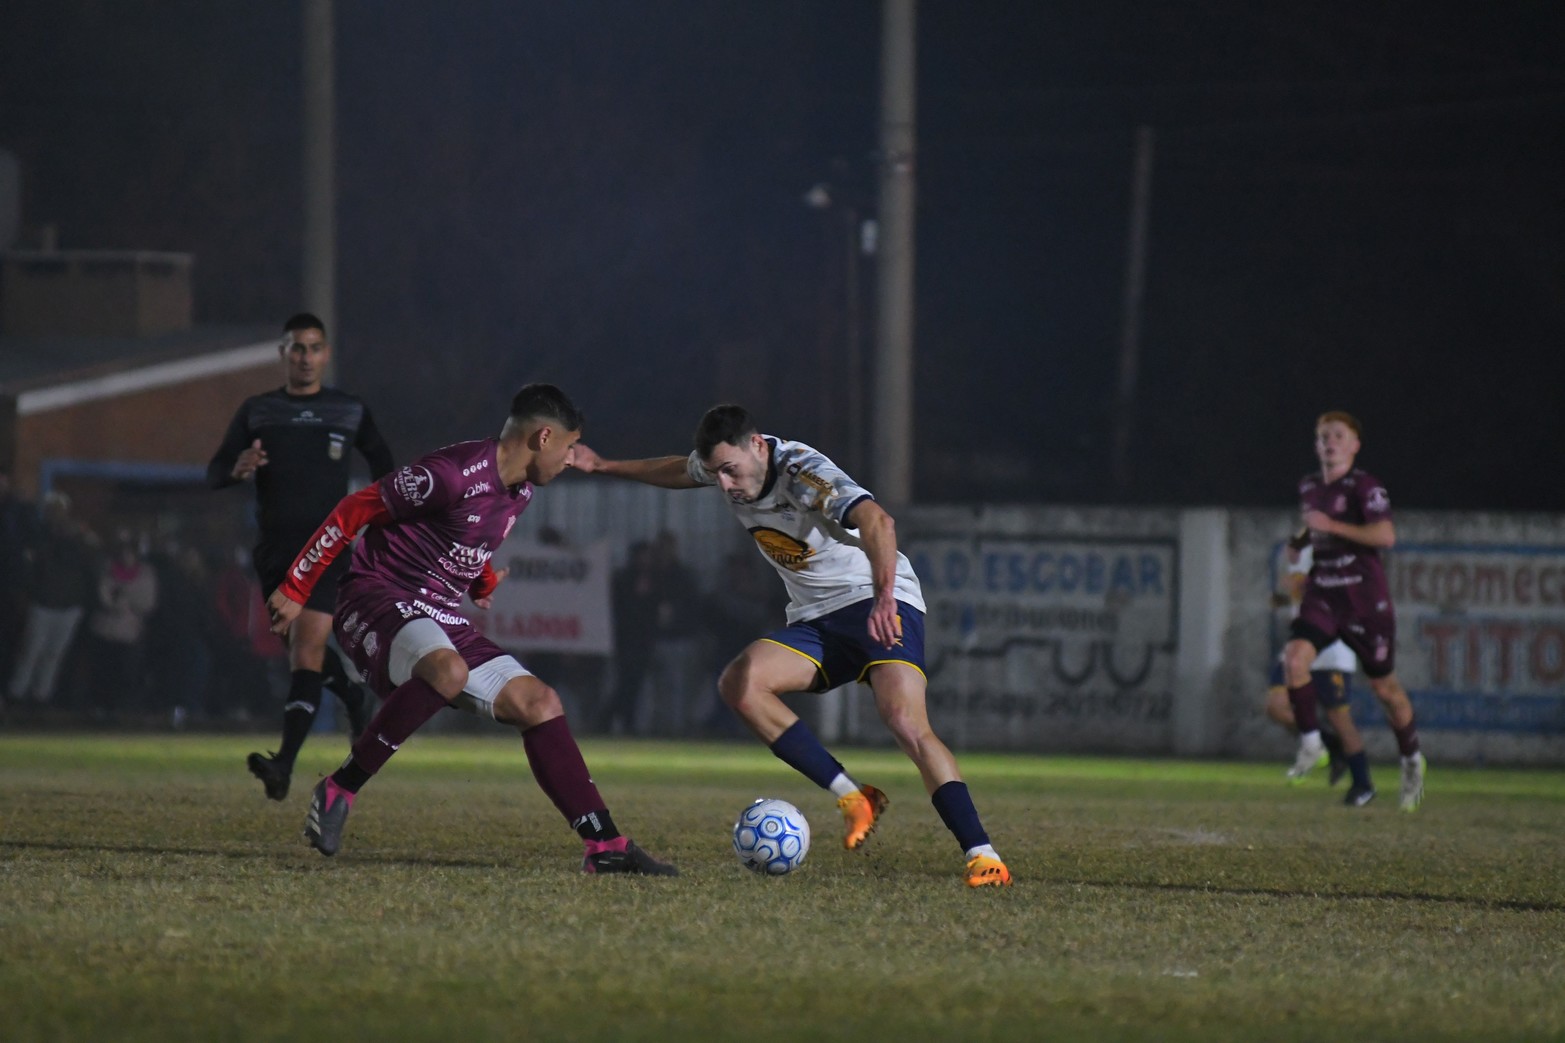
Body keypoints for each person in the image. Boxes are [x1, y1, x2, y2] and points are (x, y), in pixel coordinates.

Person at [569, 403, 1012, 888]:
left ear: (757, 446)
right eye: (716, 473)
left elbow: (878, 522)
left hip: (875, 600)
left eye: (730, 471)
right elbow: (678, 467)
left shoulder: (804, 473)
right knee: (741, 684)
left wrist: (885, 599)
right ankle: (853, 797)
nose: (723, 484)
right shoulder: (726, 467)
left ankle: (982, 855)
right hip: (816, 618)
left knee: (905, 721)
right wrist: (604, 465)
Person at [265, 383, 676, 876]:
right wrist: (297, 584)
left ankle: (604, 844)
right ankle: (339, 788)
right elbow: (355, 509)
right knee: (448, 671)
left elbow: (465, 538)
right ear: (544, 437)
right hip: (376, 595)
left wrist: (480, 581)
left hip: (437, 612)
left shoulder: (519, 490)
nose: (569, 460)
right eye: (568, 447)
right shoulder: (452, 474)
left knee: (539, 703)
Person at [208, 312, 394, 800]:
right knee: (302, 651)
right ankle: (353, 694)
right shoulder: (259, 410)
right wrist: (237, 469)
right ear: (283, 354)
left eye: (314, 348)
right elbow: (214, 470)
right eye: (297, 348)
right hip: (274, 552)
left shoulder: (348, 410)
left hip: (327, 547)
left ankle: (283, 764)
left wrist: (378, 515)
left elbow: (384, 465)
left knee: (307, 651)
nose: (306, 358)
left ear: (326, 354)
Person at [1284, 410, 1425, 811]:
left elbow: (1385, 535)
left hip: (1363, 601)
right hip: (1323, 594)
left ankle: (1412, 758)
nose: (1329, 442)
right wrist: (1300, 538)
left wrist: (1333, 526)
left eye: (1338, 436)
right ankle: (1312, 743)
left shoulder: (1366, 486)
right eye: (1323, 436)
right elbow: (1315, 525)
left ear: (1354, 445)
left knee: (1385, 689)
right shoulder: (1309, 485)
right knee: (1295, 658)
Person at [1263, 543, 1355, 785]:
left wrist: (1302, 587)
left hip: (1330, 647)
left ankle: (1362, 782)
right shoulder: (1302, 550)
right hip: (1300, 644)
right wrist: (1285, 599)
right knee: (1276, 706)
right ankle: (1324, 746)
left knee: (1339, 717)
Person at [7, 492, 97, 708]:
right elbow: (33, 568)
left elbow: (90, 565)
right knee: (30, 651)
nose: (57, 513)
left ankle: (41, 696)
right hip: (43, 602)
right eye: (52, 508)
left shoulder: (79, 537)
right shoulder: (38, 535)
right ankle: (16, 695)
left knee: (54, 654)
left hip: (69, 605)